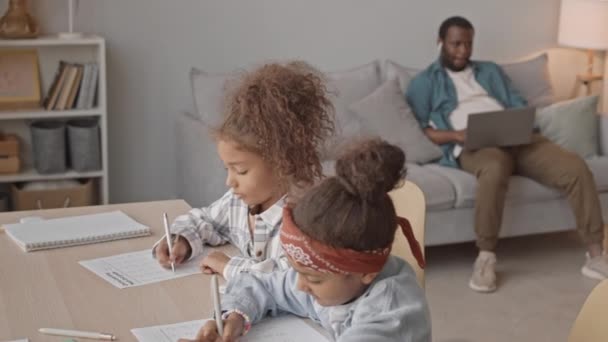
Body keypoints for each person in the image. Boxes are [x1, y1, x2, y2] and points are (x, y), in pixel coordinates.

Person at [406, 16, 608, 292]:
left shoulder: (490, 71)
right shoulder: (425, 82)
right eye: (455, 44)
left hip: (518, 139)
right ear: (440, 42)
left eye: (468, 44)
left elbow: (519, 104)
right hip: (475, 146)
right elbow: (420, 129)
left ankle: (595, 255)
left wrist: (518, 123)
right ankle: (485, 257)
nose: (462, 51)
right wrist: (456, 135)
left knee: (575, 167)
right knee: (493, 171)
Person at [180, 139, 431, 342]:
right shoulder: (333, 279)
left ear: (365, 272)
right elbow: (264, 284)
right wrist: (234, 316)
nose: (299, 286)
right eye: (298, 271)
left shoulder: (390, 315)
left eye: (313, 278)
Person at [153, 61, 335, 280]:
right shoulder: (237, 203)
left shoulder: (307, 217)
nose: (230, 182)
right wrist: (180, 239)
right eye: (227, 169)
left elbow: (293, 278)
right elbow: (204, 220)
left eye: (240, 171)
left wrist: (229, 266)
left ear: (282, 163)